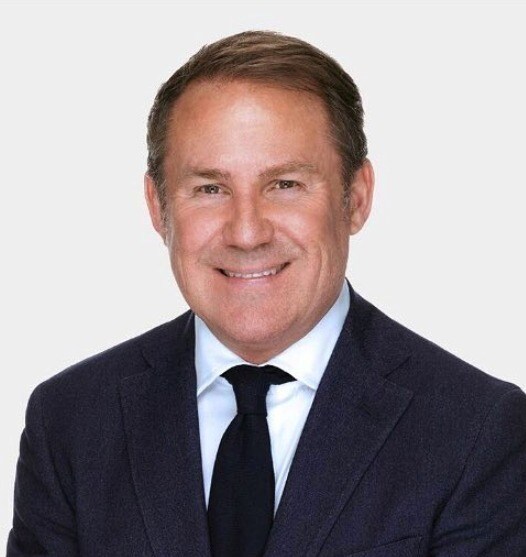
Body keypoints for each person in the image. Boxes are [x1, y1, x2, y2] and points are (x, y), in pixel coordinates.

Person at [7, 30, 526, 557]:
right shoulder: (70, 421)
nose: (247, 232)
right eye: (210, 189)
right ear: (158, 208)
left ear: (356, 198)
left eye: (285, 185)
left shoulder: (475, 431)